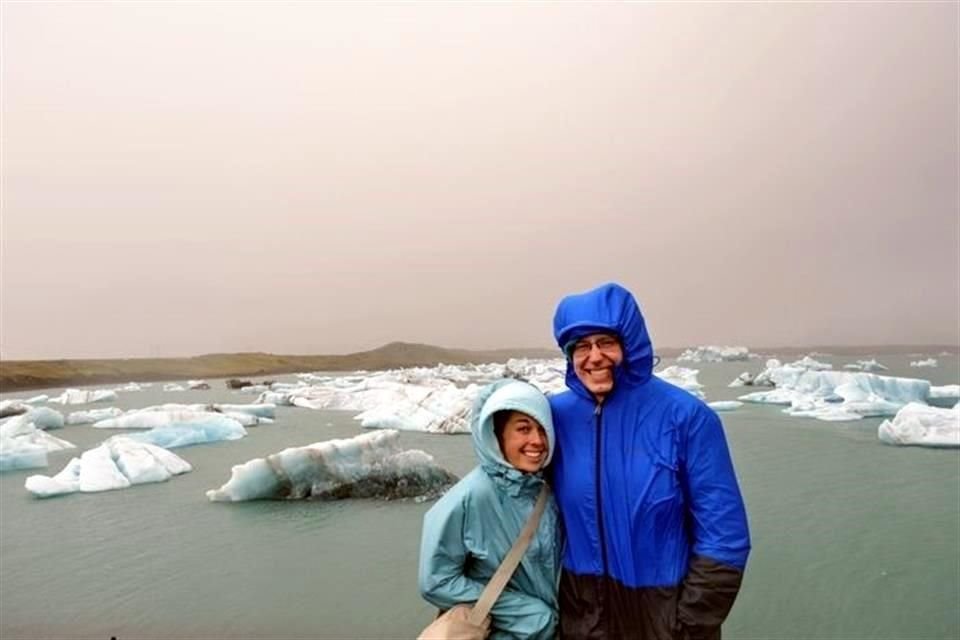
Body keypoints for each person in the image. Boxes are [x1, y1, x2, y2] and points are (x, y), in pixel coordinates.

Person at [548, 282, 751, 640]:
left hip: (665, 616)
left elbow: (724, 537)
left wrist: (689, 622)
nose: (593, 356)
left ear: (631, 343)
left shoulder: (686, 417)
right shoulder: (554, 418)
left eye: (605, 342)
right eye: (580, 346)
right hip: (582, 617)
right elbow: (507, 491)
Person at [418, 379, 562, 639]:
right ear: (497, 434)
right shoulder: (470, 497)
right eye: (523, 429)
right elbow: (436, 582)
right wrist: (528, 614)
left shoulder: (543, 490)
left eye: (543, 430)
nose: (537, 440)